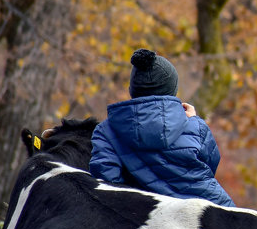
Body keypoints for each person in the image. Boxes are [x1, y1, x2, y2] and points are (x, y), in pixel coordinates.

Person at [90, 48, 235, 207]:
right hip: (208, 206)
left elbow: (106, 179)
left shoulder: (106, 131)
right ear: (172, 90)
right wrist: (195, 120)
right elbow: (211, 164)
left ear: (133, 89)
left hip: (146, 213)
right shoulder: (194, 125)